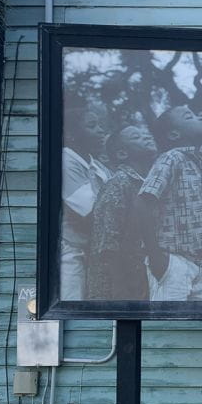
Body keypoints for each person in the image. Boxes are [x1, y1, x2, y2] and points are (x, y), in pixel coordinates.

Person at [138, 105, 202, 301]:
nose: (200, 117)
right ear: (174, 134)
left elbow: (192, 207)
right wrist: (156, 256)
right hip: (173, 260)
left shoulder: (197, 162)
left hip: (198, 261)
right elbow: (144, 202)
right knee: (171, 318)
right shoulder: (171, 158)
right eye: (189, 116)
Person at [87, 126, 157, 301]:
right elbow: (107, 245)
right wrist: (121, 291)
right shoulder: (118, 184)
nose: (146, 137)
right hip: (119, 287)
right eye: (136, 136)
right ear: (122, 154)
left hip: (140, 279)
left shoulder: (148, 183)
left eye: (145, 134)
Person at [61, 105, 110, 300]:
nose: (101, 131)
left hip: (92, 251)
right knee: (73, 302)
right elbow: (91, 212)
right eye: (92, 126)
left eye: (100, 125)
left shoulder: (96, 166)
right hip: (71, 252)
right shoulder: (65, 161)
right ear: (72, 135)